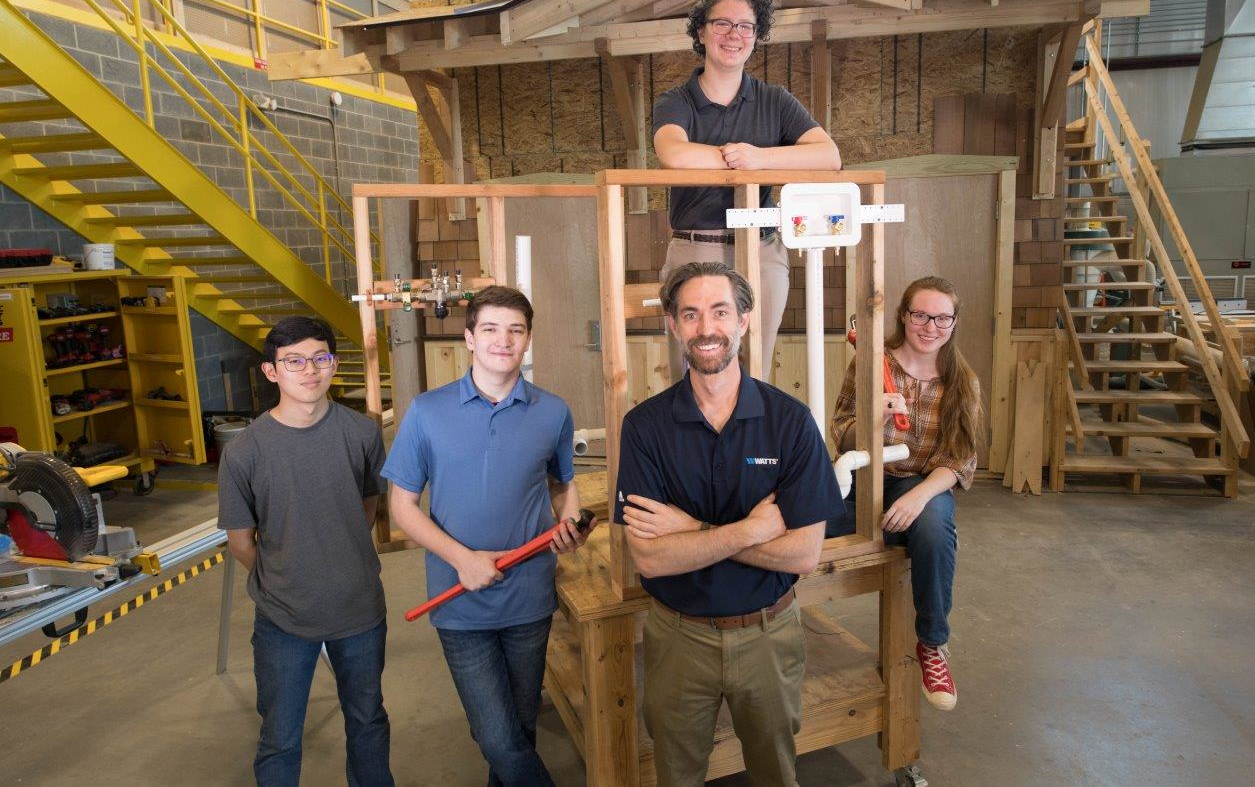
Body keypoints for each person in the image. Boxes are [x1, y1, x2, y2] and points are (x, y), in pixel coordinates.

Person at [613, 262, 844, 786]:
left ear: (743, 319)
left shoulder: (790, 423)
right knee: (677, 776)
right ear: (673, 325)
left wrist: (691, 530)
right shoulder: (645, 428)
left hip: (768, 634)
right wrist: (752, 530)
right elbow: (649, 556)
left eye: (719, 312)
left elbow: (804, 554)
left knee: (775, 774)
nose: (706, 328)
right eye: (690, 314)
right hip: (679, 639)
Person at [382, 285, 593, 787]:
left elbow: (563, 484)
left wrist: (570, 525)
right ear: (470, 338)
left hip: (529, 597)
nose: (505, 340)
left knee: (520, 729)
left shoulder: (553, 412)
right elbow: (401, 507)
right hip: (459, 599)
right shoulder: (427, 412)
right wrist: (463, 559)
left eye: (516, 330)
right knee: (496, 736)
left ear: (528, 339)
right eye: (492, 329)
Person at [218, 315, 393, 787]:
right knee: (280, 736)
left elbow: (368, 503)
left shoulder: (363, 432)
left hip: (359, 610)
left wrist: (337, 550)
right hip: (284, 619)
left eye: (320, 358)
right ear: (271, 371)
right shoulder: (244, 452)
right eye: (294, 361)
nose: (309, 370)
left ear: (333, 364)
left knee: (368, 720)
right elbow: (240, 542)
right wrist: (287, 575)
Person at [652, 0, 841, 382]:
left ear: (756, 35)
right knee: (691, 374)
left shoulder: (776, 101)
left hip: (762, 250)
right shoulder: (676, 101)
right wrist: (741, 161)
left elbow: (829, 155)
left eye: (745, 26)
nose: (733, 34)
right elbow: (674, 154)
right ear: (701, 31)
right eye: (722, 23)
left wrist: (759, 158)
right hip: (695, 247)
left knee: (755, 372)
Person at [829, 276, 983, 712]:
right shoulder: (871, 364)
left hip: (924, 483)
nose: (930, 327)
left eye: (942, 318)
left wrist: (917, 499)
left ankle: (932, 644)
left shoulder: (963, 382)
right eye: (920, 315)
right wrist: (873, 419)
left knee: (932, 525)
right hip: (864, 477)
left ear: (954, 322)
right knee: (801, 519)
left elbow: (959, 460)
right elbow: (841, 433)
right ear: (903, 315)